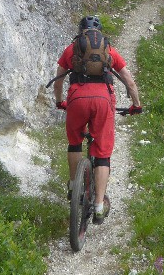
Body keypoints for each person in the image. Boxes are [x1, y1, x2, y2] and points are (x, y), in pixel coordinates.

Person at [53, 15, 142, 224]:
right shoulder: (108, 50)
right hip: (103, 100)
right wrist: (136, 105)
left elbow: (58, 82)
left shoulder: (72, 49)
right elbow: (129, 82)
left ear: (81, 31)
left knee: (75, 142)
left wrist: (60, 101)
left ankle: (74, 186)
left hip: (77, 98)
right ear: (99, 32)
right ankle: (100, 206)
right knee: (102, 153)